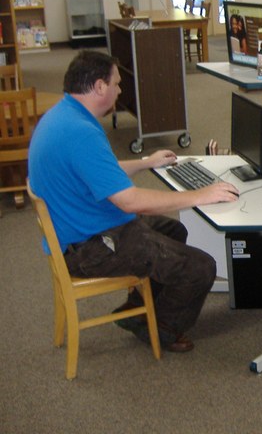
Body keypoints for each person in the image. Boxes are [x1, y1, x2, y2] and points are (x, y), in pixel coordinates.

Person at [28, 51, 240, 353]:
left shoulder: (64, 116)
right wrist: (200, 195)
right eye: (116, 83)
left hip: (78, 228)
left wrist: (145, 162)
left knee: (173, 232)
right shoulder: (81, 132)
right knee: (201, 267)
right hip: (88, 246)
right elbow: (130, 202)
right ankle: (161, 326)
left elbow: (101, 170)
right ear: (99, 87)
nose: (119, 90)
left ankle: (138, 306)